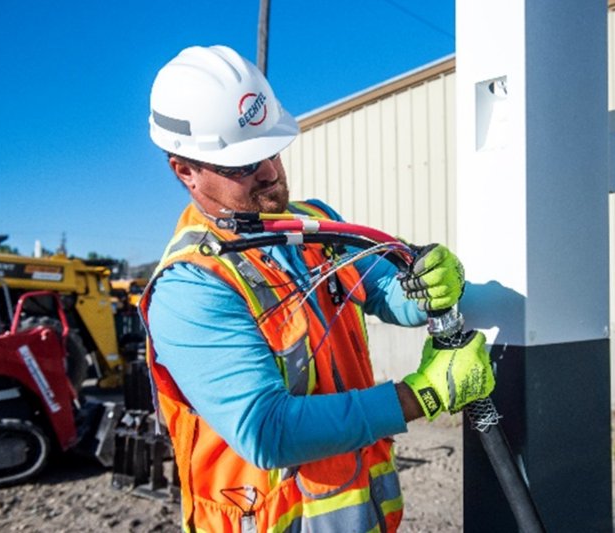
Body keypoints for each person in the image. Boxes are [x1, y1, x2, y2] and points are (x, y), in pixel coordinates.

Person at [140, 44, 495, 533]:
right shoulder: (191, 286)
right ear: (186, 171)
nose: (269, 171)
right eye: (243, 163)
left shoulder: (314, 225)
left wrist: (428, 284)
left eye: (270, 149)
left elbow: (388, 292)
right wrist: (423, 396)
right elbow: (268, 430)